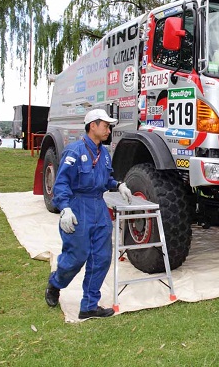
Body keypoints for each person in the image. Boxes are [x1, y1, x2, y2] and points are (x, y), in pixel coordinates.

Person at [44, 109, 133, 319]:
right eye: (105, 125)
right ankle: (56, 283)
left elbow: (105, 179)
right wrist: (64, 207)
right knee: (77, 256)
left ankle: (89, 306)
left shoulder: (104, 153)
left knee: (101, 257)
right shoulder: (74, 152)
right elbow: (62, 183)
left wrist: (118, 185)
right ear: (93, 125)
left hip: (98, 207)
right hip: (77, 206)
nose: (108, 130)